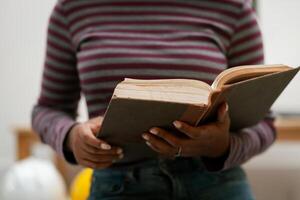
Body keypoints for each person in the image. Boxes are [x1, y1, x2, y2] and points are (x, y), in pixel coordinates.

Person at [32, 0, 276, 199]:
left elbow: (264, 124)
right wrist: (71, 136)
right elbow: (47, 109)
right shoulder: (72, 9)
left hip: (217, 186)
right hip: (118, 186)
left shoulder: (233, 8)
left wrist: (222, 147)